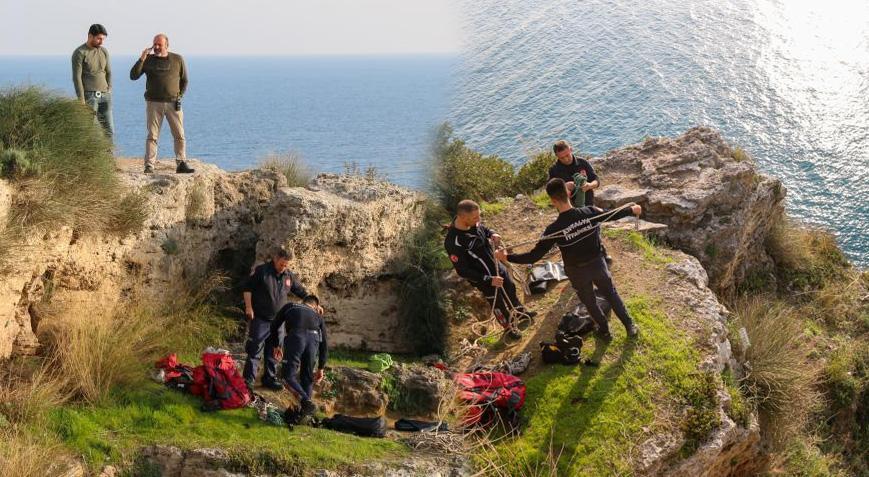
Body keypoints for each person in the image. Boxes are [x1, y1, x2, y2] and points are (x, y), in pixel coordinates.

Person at [495, 178, 642, 341]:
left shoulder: (553, 230)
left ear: (552, 201)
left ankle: (604, 331)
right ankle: (630, 326)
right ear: (569, 193)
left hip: (576, 271)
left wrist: (507, 257)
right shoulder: (590, 212)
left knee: (590, 302)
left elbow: (534, 256)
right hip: (598, 265)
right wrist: (632, 209)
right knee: (611, 294)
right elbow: (611, 215)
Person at [445, 200, 535, 339]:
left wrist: (492, 233)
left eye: (478, 216)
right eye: (475, 217)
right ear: (462, 217)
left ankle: (519, 313)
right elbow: (462, 270)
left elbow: (484, 228)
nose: (478, 220)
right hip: (484, 279)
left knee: (510, 287)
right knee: (497, 302)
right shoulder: (453, 241)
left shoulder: (474, 222)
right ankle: (508, 328)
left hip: (496, 267)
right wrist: (489, 279)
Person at [241, 248, 310, 390]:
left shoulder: (288, 276)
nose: (283, 267)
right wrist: (249, 307)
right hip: (260, 318)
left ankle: (269, 379)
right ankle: (248, 381)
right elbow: (247, 288)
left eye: (286, 265)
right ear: (275, 259)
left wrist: (314, 303)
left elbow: (300, 291)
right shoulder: (262, 271)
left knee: (273, 351)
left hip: (278, 322)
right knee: (255, 351)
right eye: (281, 264)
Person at [129, 33, 194, 174]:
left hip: (173, 103)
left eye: (160, 44)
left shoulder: (177, 59)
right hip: (154, 103)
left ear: (167, 45)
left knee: (179, 134)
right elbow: (133, 75)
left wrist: (179, 96)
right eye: (155, 44)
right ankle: (149, 166)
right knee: (152, 136)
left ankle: (181, 163)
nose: (156, 47)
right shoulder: (148, 60)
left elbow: (185, 80)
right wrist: (142, 58)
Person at [548, 139, 612, 263]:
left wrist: (589, 185)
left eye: (567, 155)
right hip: (567, 208)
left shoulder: (583, 163)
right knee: (573, 234)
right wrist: (565, 186)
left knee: (594, 228)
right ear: (557, 156)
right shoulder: (554, 170)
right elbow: (552, 190)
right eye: (562, 157)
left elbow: (596, 180)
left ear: (571, 149)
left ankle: (601, 253)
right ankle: (577, 258)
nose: (566, 159)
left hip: (587, 204)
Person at [271, 295, 328, 416]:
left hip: (297, 336)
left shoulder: (291, 306)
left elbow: (274, 325)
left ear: (303, 302)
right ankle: (306, 415)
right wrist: (321, 367)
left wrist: (277, 345)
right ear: (316, 306)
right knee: (307, 378)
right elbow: (325, 344)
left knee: (288, 375)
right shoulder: (318, 316)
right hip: (314, 340)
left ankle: (306, 400)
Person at [72, 24, 114, 139]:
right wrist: (81, 100)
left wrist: (109, 88)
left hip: (105, 96)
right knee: (89, 130)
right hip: (89, 96)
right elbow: (77, 77)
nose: (101, 42)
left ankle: (108, 156)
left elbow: (109, 72)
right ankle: (89, 156)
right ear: (90, 36)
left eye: (103, 39)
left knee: (109, 129)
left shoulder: (104, 51)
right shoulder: (80, 52)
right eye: (99, 38)